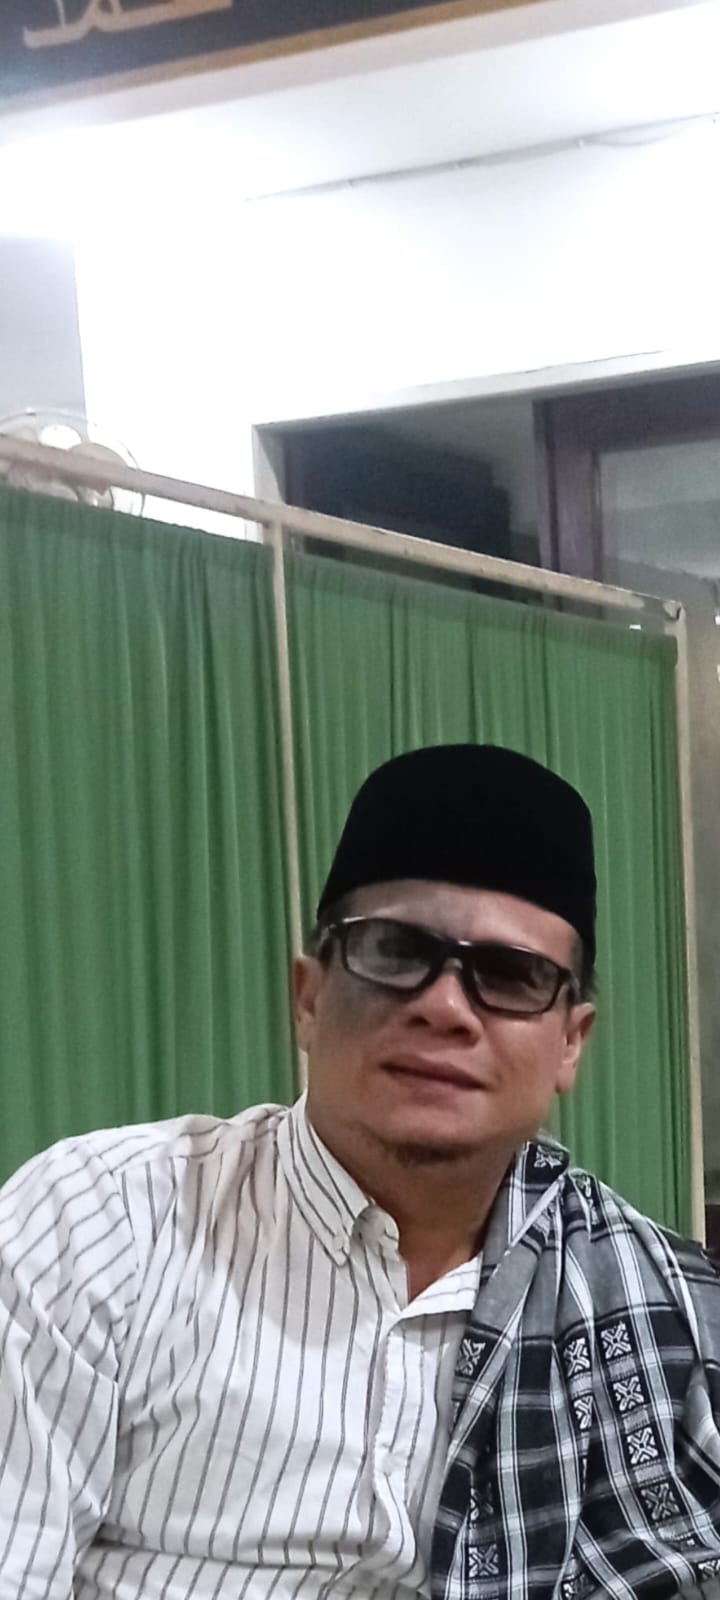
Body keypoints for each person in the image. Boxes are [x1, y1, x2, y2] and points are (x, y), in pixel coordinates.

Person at [0, 743, 718, 1600]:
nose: (445, 1007)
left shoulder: (662, 1301)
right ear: (308, 997)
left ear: (571, 1041)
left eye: (511, 975)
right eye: (394, 950)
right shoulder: (101, 1228)